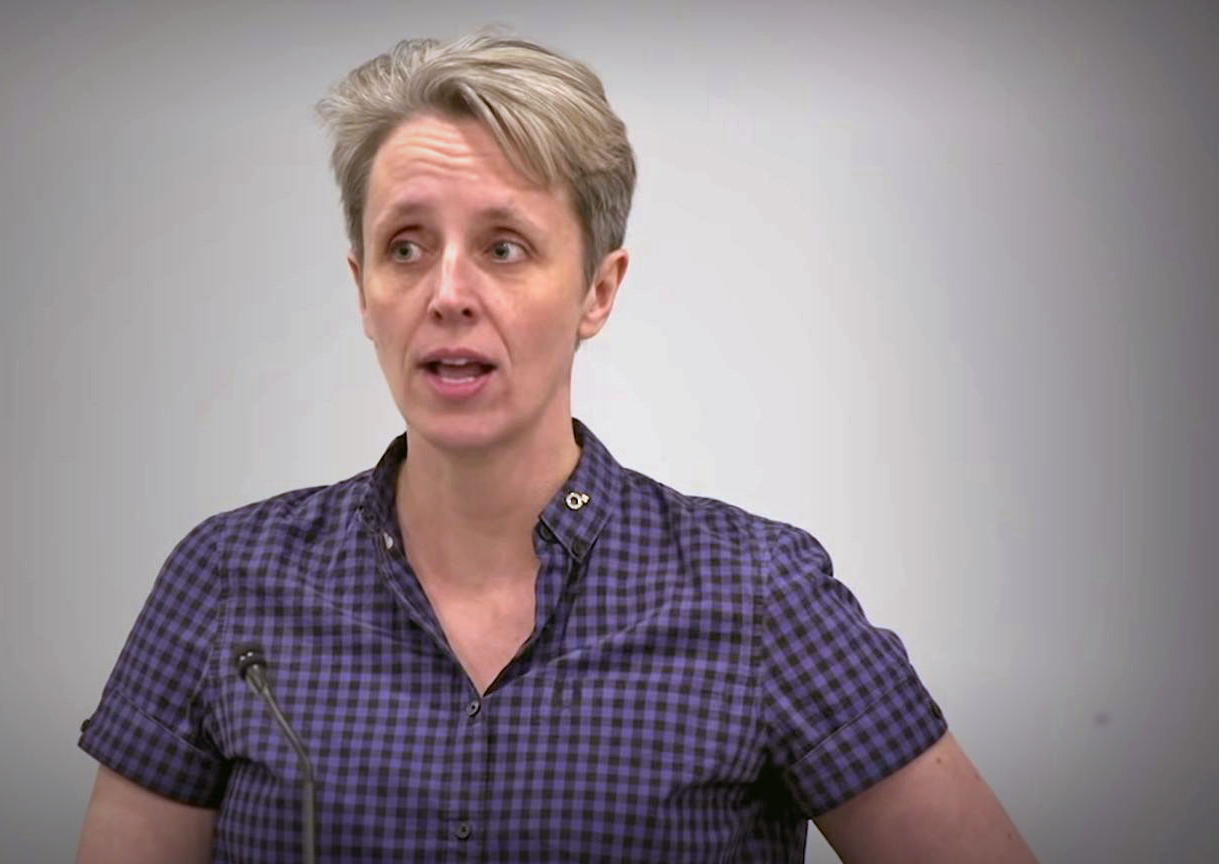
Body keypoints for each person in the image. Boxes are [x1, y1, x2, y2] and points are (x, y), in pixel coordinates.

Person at [74, 31, 1037, 863]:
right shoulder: (226, 582)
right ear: (363, 287)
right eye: (406, 247)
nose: (448, 292)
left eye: (504, 247)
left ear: (598, 291)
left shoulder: (758, 596)